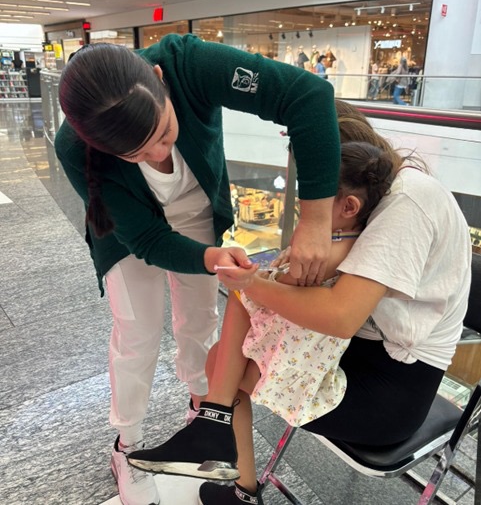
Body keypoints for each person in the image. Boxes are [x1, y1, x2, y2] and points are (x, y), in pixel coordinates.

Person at [127, 100, 472, 504]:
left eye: (312, 190)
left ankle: (219, 442)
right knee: (223, 356)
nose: (307, 205)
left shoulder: (407, 204)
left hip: (393, 388)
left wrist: (251, 284)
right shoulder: (374, 198)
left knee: (226, 354)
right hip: (361, 348)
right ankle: (219, 441)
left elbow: (341, 316)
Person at [54, 34, 340, 505]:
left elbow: (307, 95)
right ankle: (126, 445)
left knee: (200, 321)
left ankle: (202, 419)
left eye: (164, 133)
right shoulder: (74, 146)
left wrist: (315, 220)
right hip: (126, 230)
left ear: (160, 80)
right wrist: (208, 258)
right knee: (137, 333)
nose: (157, 155)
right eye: (135, 154)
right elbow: (146, 238)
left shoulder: (189, 63)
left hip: (196, 208)